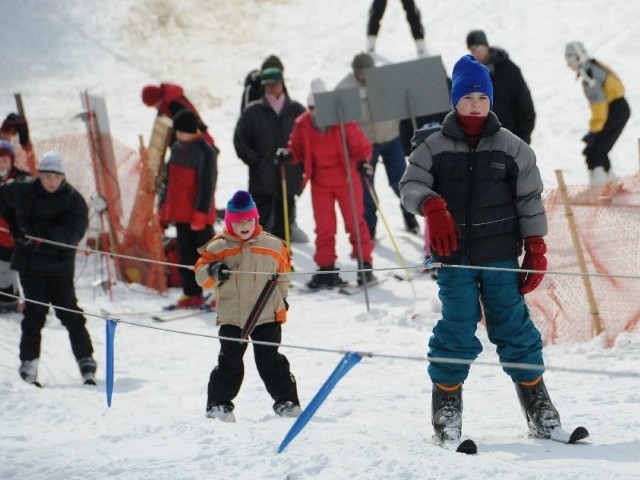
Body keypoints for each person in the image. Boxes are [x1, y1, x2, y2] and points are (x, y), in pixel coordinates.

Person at [400, 54, 563, 446]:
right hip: (454, 258)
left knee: (515, 327)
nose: (476, 104)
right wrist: (432, 205)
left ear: (491, 102)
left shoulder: (513, 148)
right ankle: (447, 413)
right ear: (455, 101)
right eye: (469, 96)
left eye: (482, 97)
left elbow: (530, 199)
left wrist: (536, 246)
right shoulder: (432, 146)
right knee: (456, 328)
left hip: (500, 257)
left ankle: (539, 409)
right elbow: (410, 186)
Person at [194, 190, 301, 422]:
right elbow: (201, 276)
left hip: (266, 314)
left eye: (249, 220)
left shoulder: (273, 245)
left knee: (270, 360)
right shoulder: (217, 247)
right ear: (231, 221)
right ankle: (218, 405)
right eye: (239, 221)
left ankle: (287, 402)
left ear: (256, 219)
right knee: (229, 361)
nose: (245, 225)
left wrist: (282, 300)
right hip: (233, 315)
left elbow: (283, 275)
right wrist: (213, 270)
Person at [0, 151, 97, 386]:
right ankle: (29, 364)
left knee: (70, 313)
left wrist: (41, 237)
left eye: (56, 176)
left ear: (62, 177)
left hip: (59, 266)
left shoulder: (74, 200)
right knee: (34, 314)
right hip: (30, 264)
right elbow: (3, 199)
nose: (51, 181)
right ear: (39, 175)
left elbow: (74, 232)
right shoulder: (22, 190)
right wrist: (14, 225)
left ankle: (86, 360)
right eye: (46, 175)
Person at [287, 78, 376, 289]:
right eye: (311, 107)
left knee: (355, 222)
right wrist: (287, 155)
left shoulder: (342, 121)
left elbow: (361, 146)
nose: (314, 111)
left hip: (346, 178)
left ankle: (365, 265)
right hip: (320, 181)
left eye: (317, 107)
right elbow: (296, 149)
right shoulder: (303, 123)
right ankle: (326, 268)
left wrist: (363, 162)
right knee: (325, 227)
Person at [336, 52, 420, 240]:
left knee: (401, 181)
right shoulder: (345, 87)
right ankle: (370, 226)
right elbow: (340, 116)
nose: (364, 77)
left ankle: (409, 216)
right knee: (367, 188)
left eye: (367, 72)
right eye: (360, 73)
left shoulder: (387, 81)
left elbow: (404, 100)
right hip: (365, 144)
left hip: (391, 137)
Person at [238, 55, 308, 244]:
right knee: (260, 223)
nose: (272, 88)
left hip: (288, 175)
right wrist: (256, 161)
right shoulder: (252, 111)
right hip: (262, 178)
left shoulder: (296, 110)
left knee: (284, 222)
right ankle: (261, 262)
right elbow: (240, 141)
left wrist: (299, 163)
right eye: (268, 85)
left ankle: (283, 261)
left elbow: (308, 141)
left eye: (275, 84)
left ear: (282, 84)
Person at [158, 110, 218, 309]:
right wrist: (164, 209)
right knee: (186, 257)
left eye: (180, 132)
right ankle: (192, 293)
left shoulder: (205, 151)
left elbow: (207, 185)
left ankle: (223, 292)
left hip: (199, 216)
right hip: (181, 215)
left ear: (190, 131)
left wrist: (200, 214)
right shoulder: (176, 148)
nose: (177, 135)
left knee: (209, 255)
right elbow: (169, 181)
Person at [565, 41, 630, 185]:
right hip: (618, 108)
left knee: (594, 150)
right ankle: (611, 182)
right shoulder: (592, 67)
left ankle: (599, 186)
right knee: (599, 148)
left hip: (615, 110)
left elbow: (599, 105)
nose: (568, 65)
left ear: (577, 57)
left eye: (569, 60)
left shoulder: (589, 75)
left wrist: (594, 130)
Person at [466, 29, 536, 145]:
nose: (475, 54)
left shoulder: (509, 70)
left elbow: (525, 105)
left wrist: (524, 138)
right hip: (487, 145)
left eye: (478, 49)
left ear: (486, 47)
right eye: (472, 50)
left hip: (513, 140)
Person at [0, 141, 31, 312]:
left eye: (4, 161)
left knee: (28, 273)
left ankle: (33, 304)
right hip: (2, 238)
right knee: (4, 271)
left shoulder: (22, 179)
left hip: (21, 235)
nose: (1, 165)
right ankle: (8, 301)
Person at [141, 82, 217, 147]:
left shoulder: (175, 105)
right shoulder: (164, 105)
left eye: (152, 104)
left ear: (156, 99)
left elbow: (192, 124)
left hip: (201, 142)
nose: (154, 107)